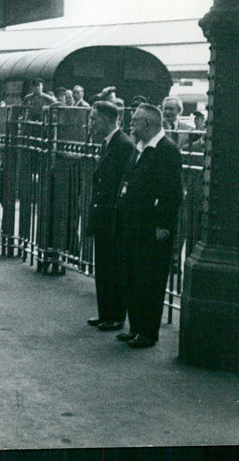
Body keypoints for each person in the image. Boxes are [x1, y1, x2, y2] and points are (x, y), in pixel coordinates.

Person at [115, 103, 183, 349]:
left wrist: (163, 224)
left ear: (149, 124)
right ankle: (136, 328)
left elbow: (172, 192)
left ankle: (147, 331)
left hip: (151, 229)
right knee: (132, 277)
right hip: (133, 226)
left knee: (149, 280)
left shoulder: (167, 150)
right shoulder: (141, 148)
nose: (131, 124)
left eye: (135, 120)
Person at [86, 101, 137, 332]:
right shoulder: (110, 144)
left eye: (94, 118)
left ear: (106, 120)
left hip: (113, 218)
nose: (91, 123)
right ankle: (105, 312)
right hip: (104, 217)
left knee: (113, 268)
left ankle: (115, 315)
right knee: (104, 266)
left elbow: (122, 184)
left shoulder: (123, 146)